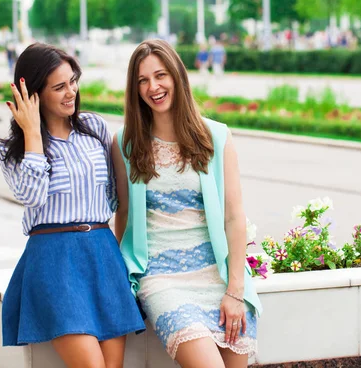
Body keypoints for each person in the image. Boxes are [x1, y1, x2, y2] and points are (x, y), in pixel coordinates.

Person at [112, 39, 262, 368]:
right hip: (161, 279)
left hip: (217, 276)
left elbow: (235, 218)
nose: (153, 86)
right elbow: (123, 215)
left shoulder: (217, 137)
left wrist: (235, 290)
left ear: (178, 76)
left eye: (160, 75)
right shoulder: (126, 142)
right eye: (142, 80)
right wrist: (123, 279)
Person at [0, 43, 145, 367]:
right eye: (59, 86)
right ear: (33, 93)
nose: (71, 92)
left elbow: (114, 196)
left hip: (101, 255)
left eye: (73, 82)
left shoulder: (94, 127)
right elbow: (32, 197)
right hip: (54, 260)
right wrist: (33, 134)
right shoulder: (14, 151)